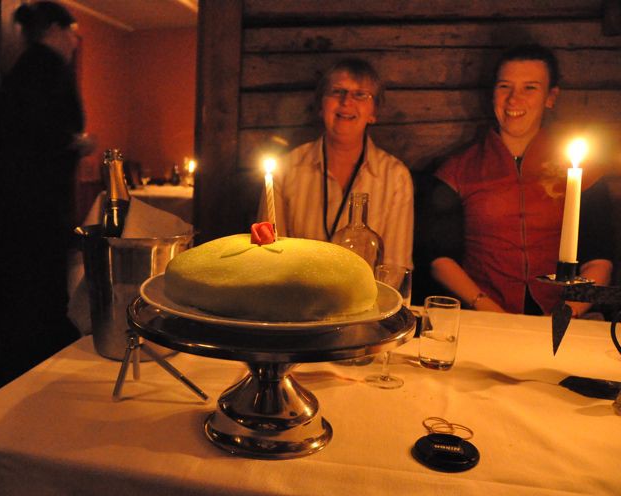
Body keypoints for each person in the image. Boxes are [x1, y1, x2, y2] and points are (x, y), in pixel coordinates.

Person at [422, 44, 613, 316]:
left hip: (565, 315)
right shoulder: (457, 171)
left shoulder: (585, 172)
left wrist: (566, 314)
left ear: (550, 97)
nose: (514, 99)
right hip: (483, 315)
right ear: (493, 94)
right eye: (505, 87)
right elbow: (440, 260)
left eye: (530, 88)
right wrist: (491, 312)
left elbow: (600, 260)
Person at [0, 1, 94, 387]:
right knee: (38, 290)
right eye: (72, 33)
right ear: (55, 30)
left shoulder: (25, 69)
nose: (75, 42)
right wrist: (77, 143)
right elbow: (43, 135)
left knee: (23, 292)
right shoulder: (47, 68)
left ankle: (22, 375)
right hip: (35, 205)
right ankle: (38, 380)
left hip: (13, 203)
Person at [258, 58, 414, 270]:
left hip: (367, 292)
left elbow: (396, 267)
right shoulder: (286, 170)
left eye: (360, 94)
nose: (346, 101)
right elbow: (268, 253)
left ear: (373, 113)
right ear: (321, 106)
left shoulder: (395, 177)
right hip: (298, 289)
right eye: (337, 92)